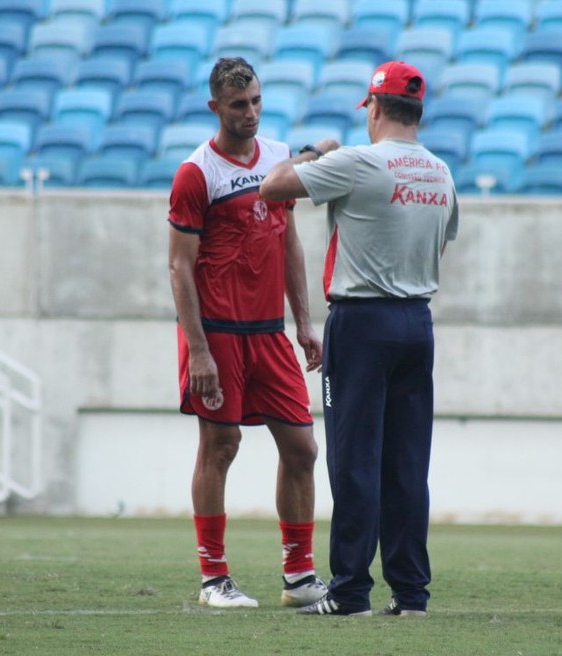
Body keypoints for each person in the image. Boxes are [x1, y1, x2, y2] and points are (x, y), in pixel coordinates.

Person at [260, 61, 459, 617]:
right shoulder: (440, 172)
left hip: (362, 322)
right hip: (417, 321)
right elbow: (439, 246)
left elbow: (273, 187)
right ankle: (411, 593)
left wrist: (310, 151)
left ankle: (349, 593)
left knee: (353, 460)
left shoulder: (357, 162)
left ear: (374, 108)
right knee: (406, 464)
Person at [167, 57, 328, 609]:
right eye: (239, 105)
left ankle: (300, 577)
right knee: (221, 444)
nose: (251, 113)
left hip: (268, 333)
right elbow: (179, 267)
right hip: (216, 334)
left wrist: (304, 322)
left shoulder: (280, 160)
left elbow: (289, 242)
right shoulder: (196, 173)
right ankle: (214, 579)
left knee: (303, 447)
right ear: (215, 107)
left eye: (257, 101)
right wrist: (199, 351)